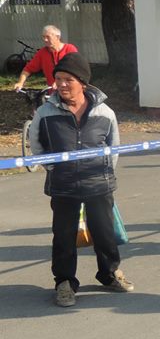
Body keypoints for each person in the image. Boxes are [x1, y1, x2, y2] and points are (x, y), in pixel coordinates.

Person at [28, 53, 133, 307]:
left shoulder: (104, 112)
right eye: (58, 79)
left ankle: (109, 274)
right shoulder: (45, 112)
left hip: (99, 184)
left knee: (105, 234)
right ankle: (64, 282)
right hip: (63, 186)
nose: (61, 85)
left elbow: (113, 147)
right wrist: (52, 168)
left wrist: (104, 172)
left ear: (83, 83)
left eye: (68, 80)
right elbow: (36, 144)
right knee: (63, 236)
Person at [13, 25, 78, 91]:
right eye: (43, 37)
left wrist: (59, 82)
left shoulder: (69, 49)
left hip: (70, 91)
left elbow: (74, 69)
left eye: (48, 37)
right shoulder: (42, 53)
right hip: (53, 93)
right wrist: (20, 83)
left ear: (57, 37)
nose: (45, 40)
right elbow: (27, 69)